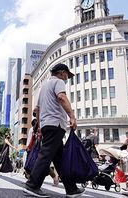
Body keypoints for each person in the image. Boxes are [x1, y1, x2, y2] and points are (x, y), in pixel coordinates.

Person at [24, 63, 85, 197]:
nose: (67, 79)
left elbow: (37, 109)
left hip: (46, 125)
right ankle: (32, 185)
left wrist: (40, 126)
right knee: (46, 154)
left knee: (59, 158)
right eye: (67, 75)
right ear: (62, 72)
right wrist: (72, 117)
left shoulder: (43, 87)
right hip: (56, 124)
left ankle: (71, 188)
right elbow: (61, 97)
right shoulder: (58, 82)